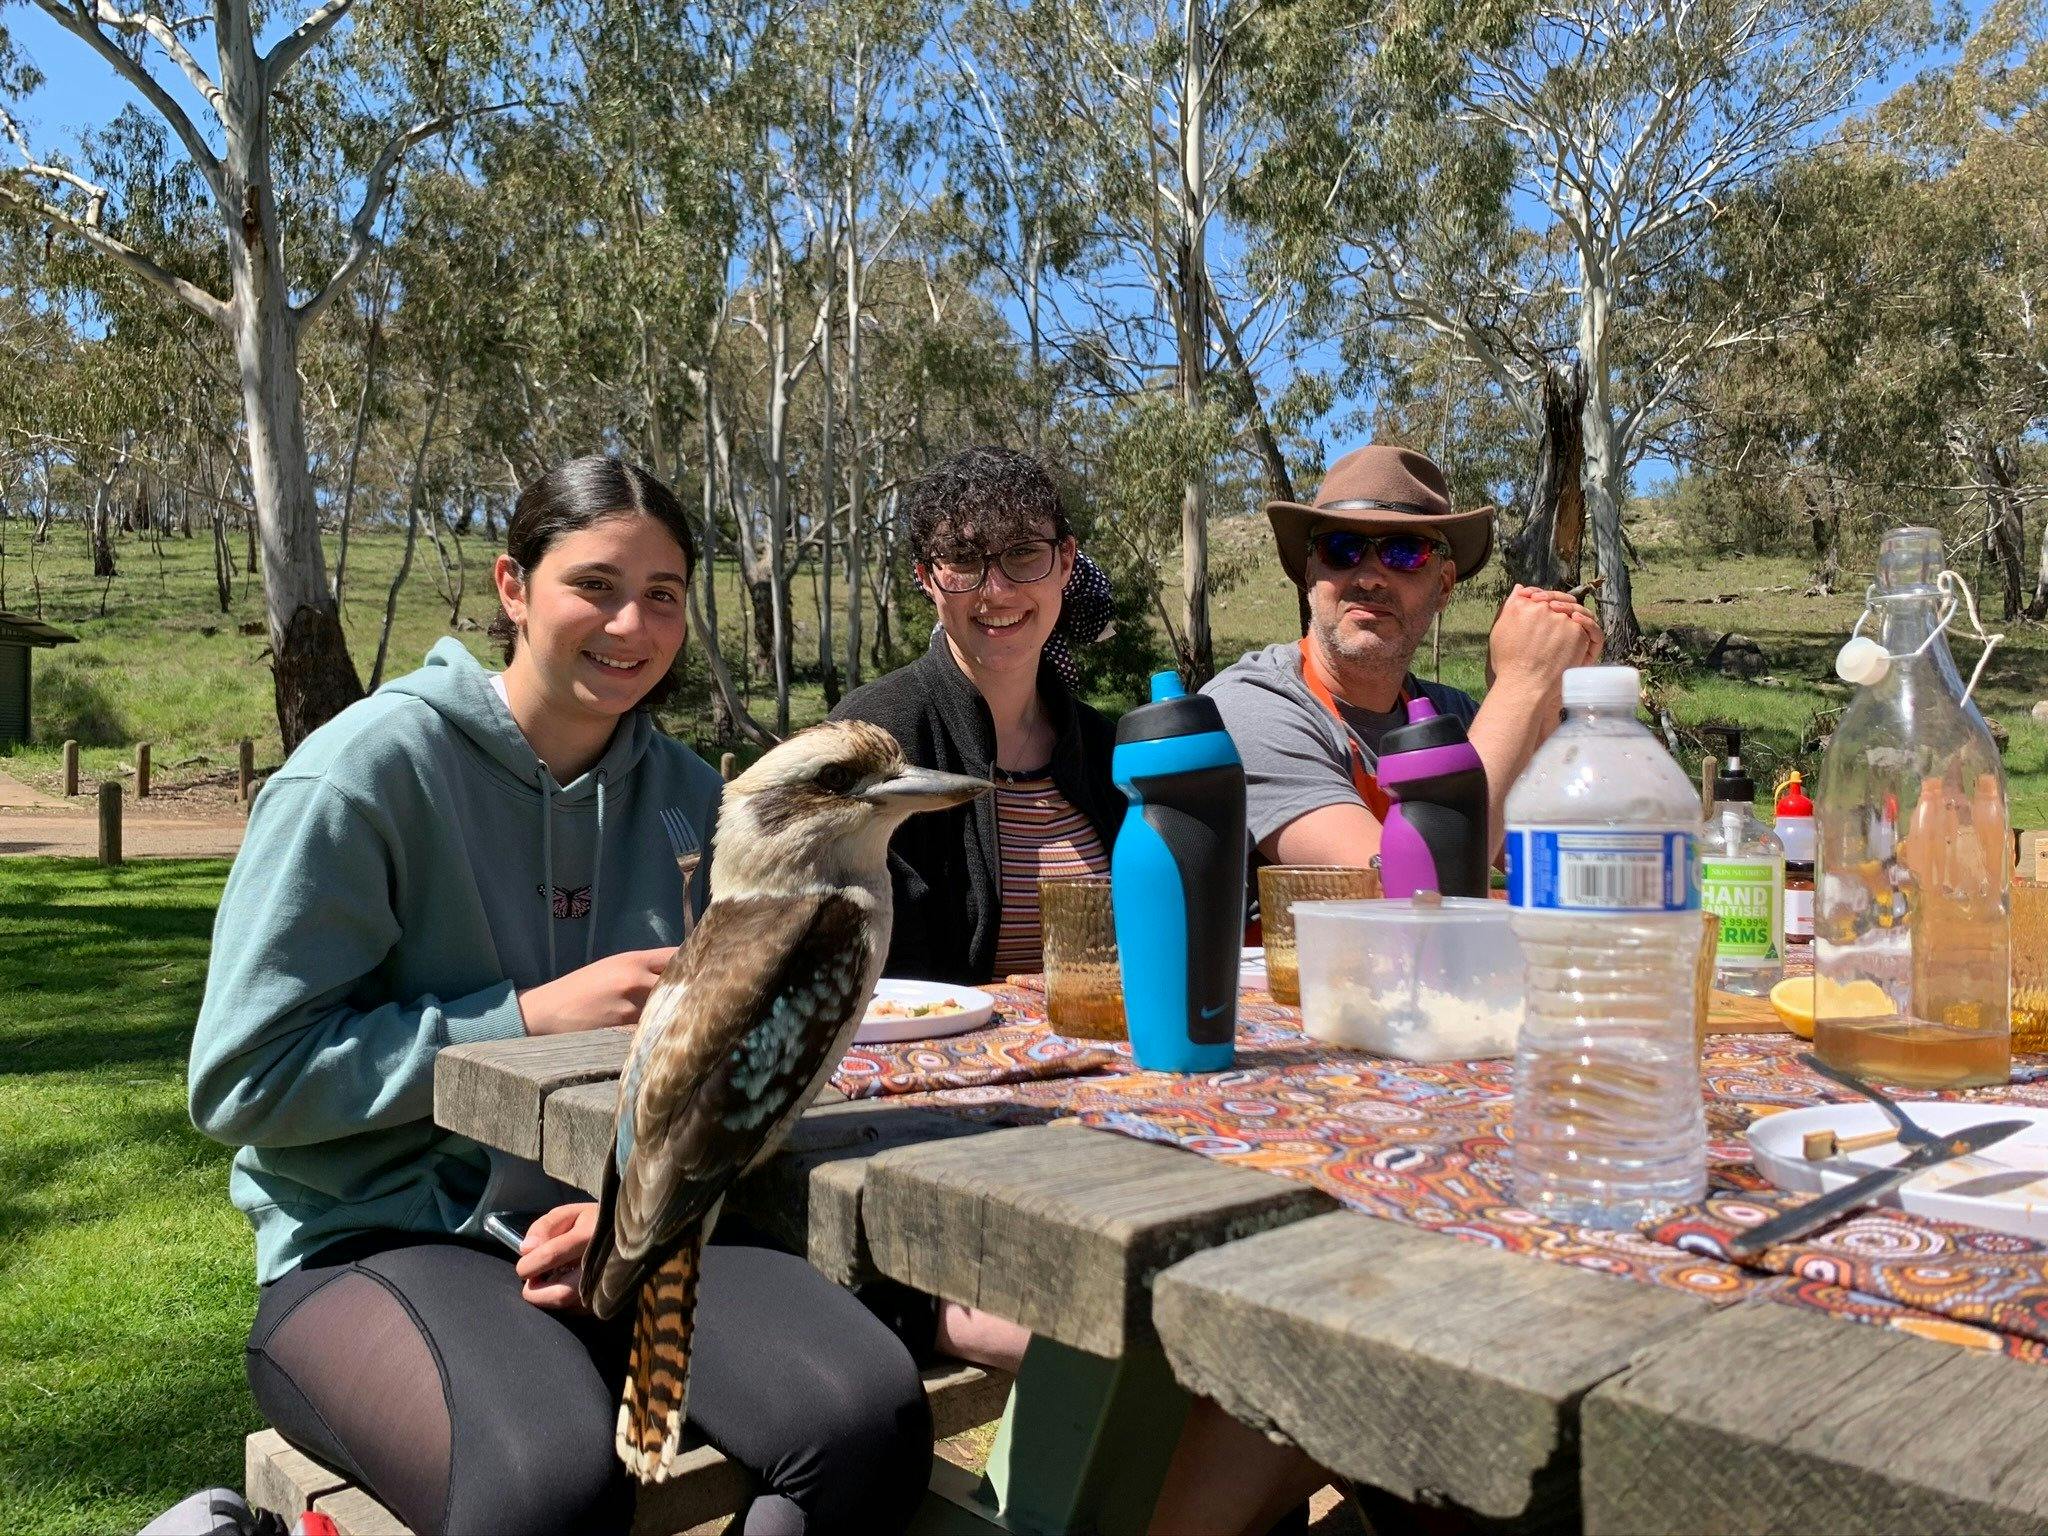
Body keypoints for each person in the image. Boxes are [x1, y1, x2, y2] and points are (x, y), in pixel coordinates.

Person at [187, 457, 932, 1536]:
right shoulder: (361, 778)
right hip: (383, 1240)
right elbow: (244, 1082)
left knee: (861, 1418)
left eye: (664, 595)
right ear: (512, 587)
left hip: (618, 1224)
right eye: (594, 584)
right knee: (551, 1487)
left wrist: (629, 1208)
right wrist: (521, 1018)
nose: (631, 623)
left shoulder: (695, 800)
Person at [1205, 443, 1602, 871]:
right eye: (1340, 549)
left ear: (1445, 584)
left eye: (1405, 552)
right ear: (1310, 575)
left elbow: (1561, 862)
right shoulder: (1252, 710)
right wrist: (1521, 683)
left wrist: (1545, 702)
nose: (1371, 577)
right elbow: (1412, 892)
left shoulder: (1452, 718)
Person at [831, 444, 1125, 987]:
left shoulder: (1108, 751)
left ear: (1064, 562)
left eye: (1022, 553)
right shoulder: (873, 738)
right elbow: (868, 971)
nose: (997, 590)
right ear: (927, 577)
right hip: (930, 1060)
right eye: (965, 560)